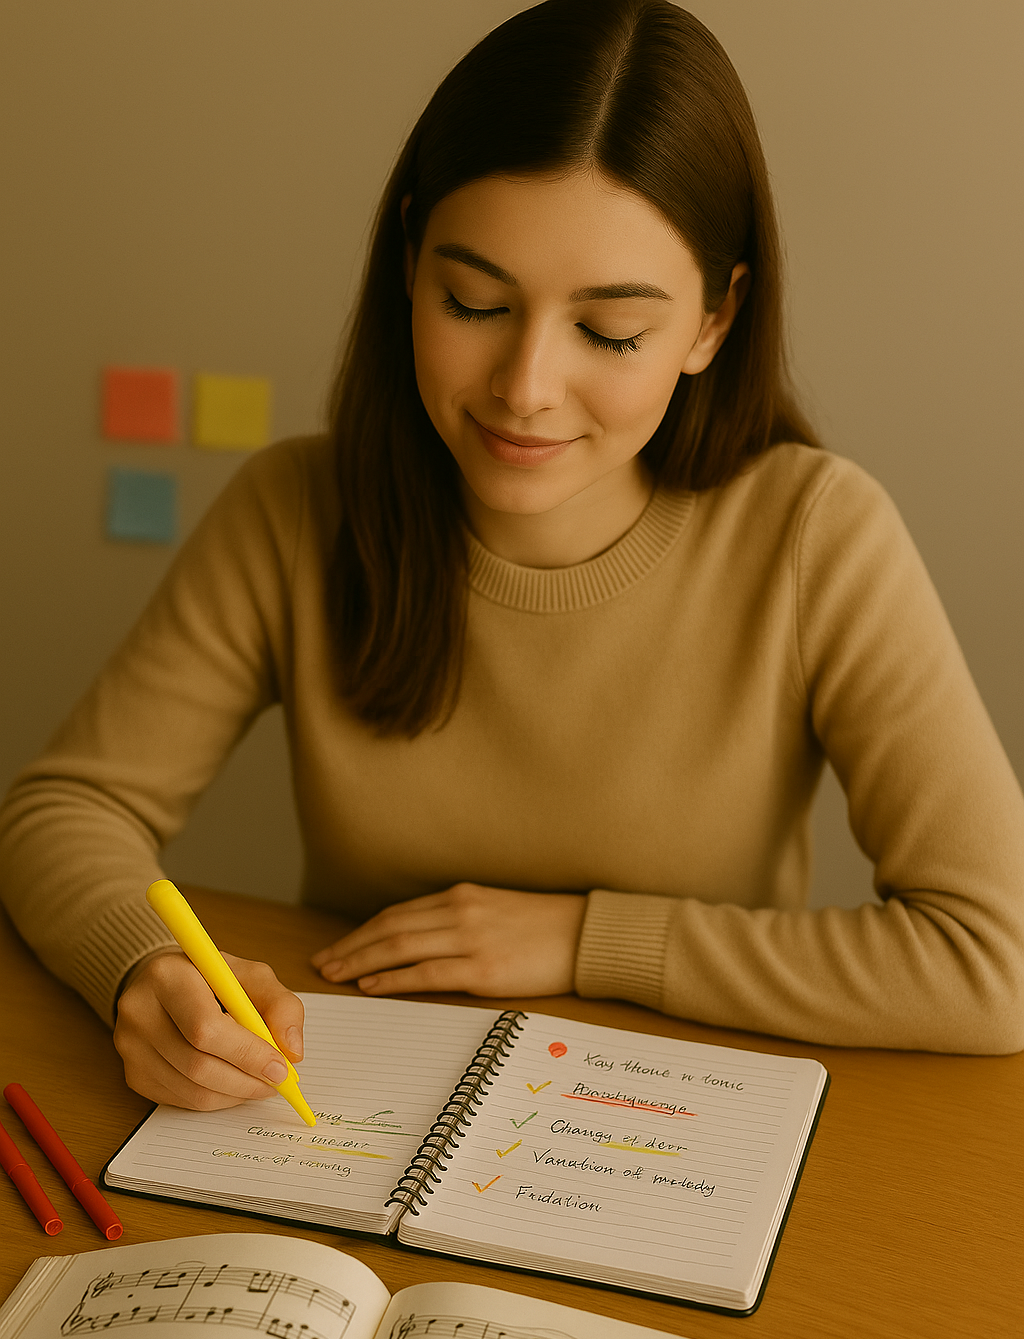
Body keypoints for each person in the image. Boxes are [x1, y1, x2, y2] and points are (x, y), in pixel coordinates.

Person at [2, 0, 1023, 1115]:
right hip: (359, 1120)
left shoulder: (815, 536)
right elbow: (62, 812)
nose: (525, 386)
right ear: (408, 260)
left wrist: (588, 941)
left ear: (712, 323)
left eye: (610, 332)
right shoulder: (296, 509)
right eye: (474, 301)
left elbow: (994, 962)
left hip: (666, 1132)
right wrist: (143, 970)